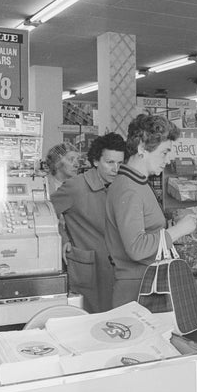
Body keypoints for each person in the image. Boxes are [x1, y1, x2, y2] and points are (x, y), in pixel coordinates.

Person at [105, 114, 197, 307]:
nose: (168, 159)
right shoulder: (129, 188)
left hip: (144, 283)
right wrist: (179, 230)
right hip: (137, 291)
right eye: (164, 152)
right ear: (141, 148)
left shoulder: (137, 183)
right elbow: (137, 248)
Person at [51, 132, 127, 313]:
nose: (115, 169)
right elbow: (45, 214)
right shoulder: (75, 187)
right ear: (95, 161)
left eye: (120, 163)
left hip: (118, 271)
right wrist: (62, 239)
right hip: (89, 270)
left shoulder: (121, 186)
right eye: (110, 162)